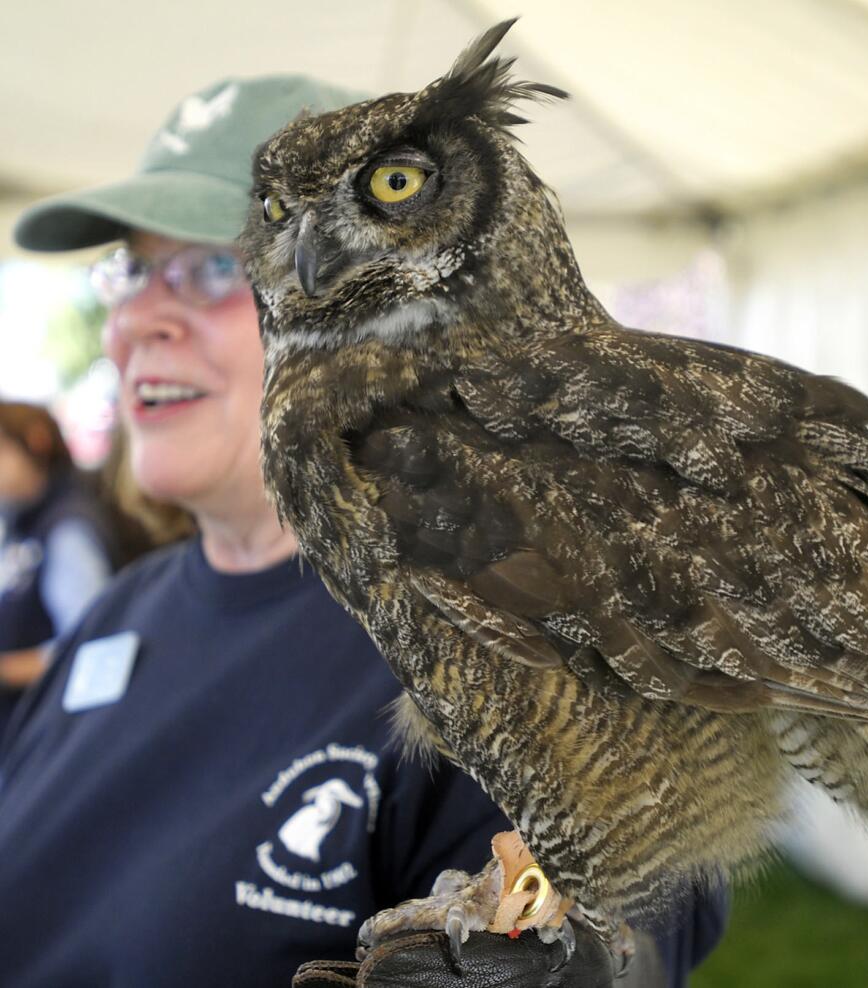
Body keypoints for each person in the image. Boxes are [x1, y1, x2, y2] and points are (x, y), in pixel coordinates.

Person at [0, 75, 723, 986]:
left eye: (219, 266)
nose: (138, 318)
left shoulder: (499, 611)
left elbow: (641, 914)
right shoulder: (120, 613)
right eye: (133, 270)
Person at [0, 400, 115, 736]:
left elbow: (89, 645)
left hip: (50, 730)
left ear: (35, 442)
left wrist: (5, 670)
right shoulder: (21, 520)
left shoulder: (68, 529)